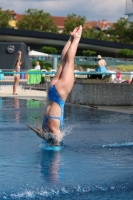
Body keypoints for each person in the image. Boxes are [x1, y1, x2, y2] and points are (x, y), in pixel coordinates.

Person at [26, 25, 83, 146]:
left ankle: (76, 38)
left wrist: (57, 146)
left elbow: (56, 138)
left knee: (69, 62)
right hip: (52, 91)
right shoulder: (44, 127)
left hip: (59, 94)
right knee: (63, 62)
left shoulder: (52, 129)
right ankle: (70, 38)